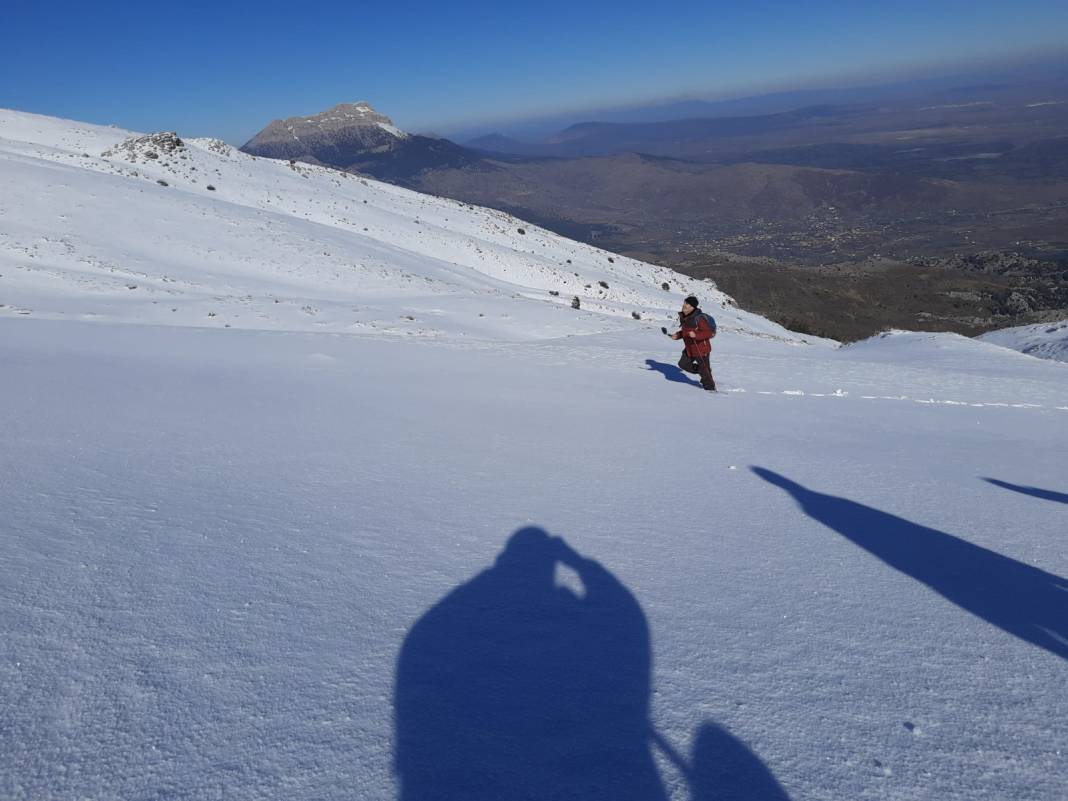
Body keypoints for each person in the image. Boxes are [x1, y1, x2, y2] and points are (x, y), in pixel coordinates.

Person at [670, 295, 717, 391]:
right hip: (690, 348)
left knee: (706, 374)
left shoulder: (699, 318)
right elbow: (686, 332)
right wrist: (678, 335)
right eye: (684, 302)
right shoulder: (684, 317)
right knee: (683, 364)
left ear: (692, 307)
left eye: (687, 304)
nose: (684, 305)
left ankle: (710, 390)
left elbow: (709, 332)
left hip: (701, 349)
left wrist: (696, 335)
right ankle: (703, 370)